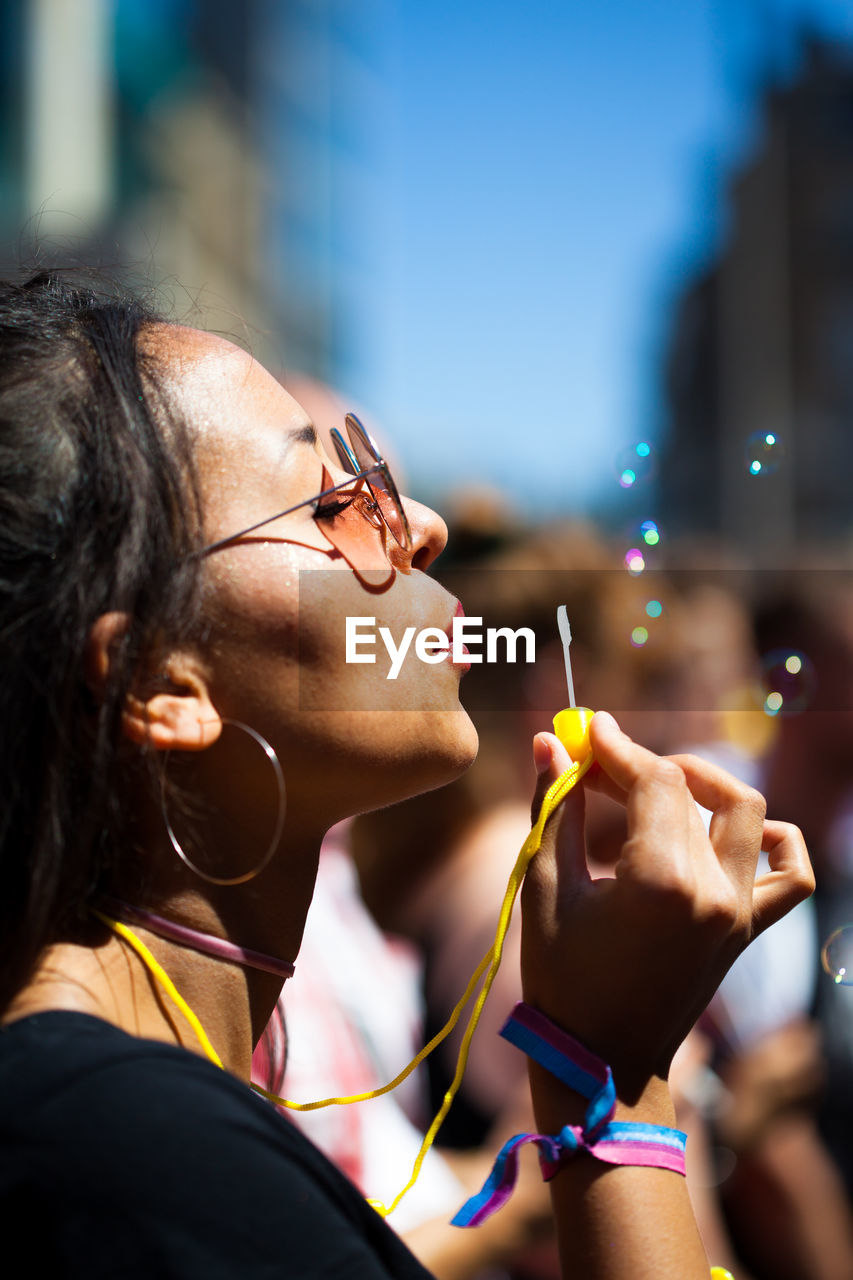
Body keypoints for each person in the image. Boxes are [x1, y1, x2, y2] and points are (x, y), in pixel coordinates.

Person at [0, 268, 814, 1278]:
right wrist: (609, 1073)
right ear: (158, 681)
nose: (420, 524)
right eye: (331, 499)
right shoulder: (121, 1145)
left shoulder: (138, 1111)